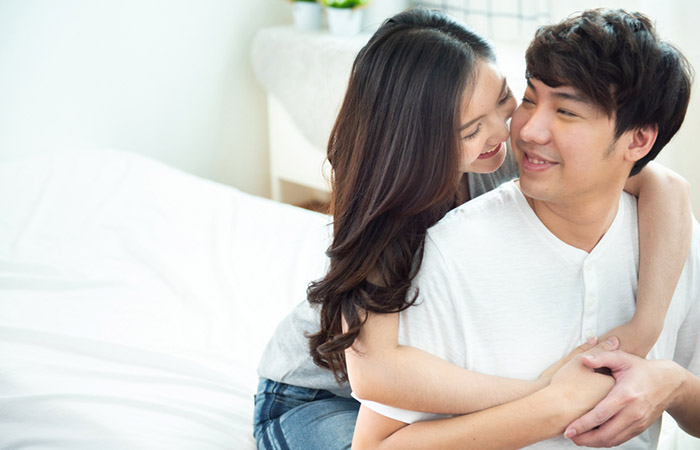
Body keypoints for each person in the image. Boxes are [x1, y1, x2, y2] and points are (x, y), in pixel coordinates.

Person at [253, 8, 693, 450]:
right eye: (470, 130)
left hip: (417, 398)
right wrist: (552, 398)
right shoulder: (392, 218)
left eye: (506, 101)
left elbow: (664, 185)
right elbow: (377, 376)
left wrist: (645, 327)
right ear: (422, 141)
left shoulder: (508, 159)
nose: (511, 133)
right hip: (319, 393)